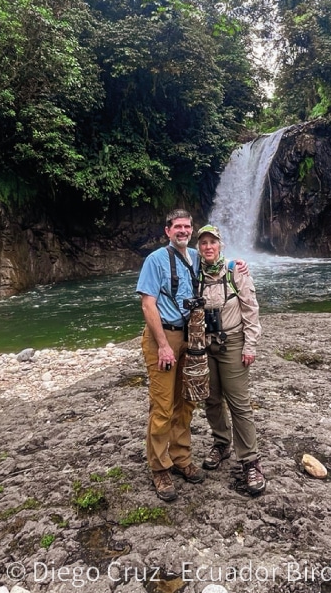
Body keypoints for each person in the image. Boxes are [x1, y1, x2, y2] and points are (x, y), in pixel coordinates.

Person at [136, 209, 207, 502]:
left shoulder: (196, 256)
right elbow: (147, 304)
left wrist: (237, 265)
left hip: (190, 336)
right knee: (163, 405)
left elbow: (218, 269)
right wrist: (163, 345)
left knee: (186, 401)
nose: (183, 230)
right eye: (177, 226)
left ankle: (181, 457)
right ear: (167, 230)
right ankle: (159, 467)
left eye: (187, 226)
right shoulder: (155, 260)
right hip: (163, 337)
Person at [196, 224, 266, 496]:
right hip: (204, 345)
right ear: (198, 248)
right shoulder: (195, 274)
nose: (208, 246)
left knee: (239, 403)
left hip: (233, 343)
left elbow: (251, 309)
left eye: (212, 242)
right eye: (203, 243)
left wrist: (250, 345)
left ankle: (250, 460)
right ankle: (222, 443)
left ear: (220, 245)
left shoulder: (236, 270)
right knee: (211, 399)